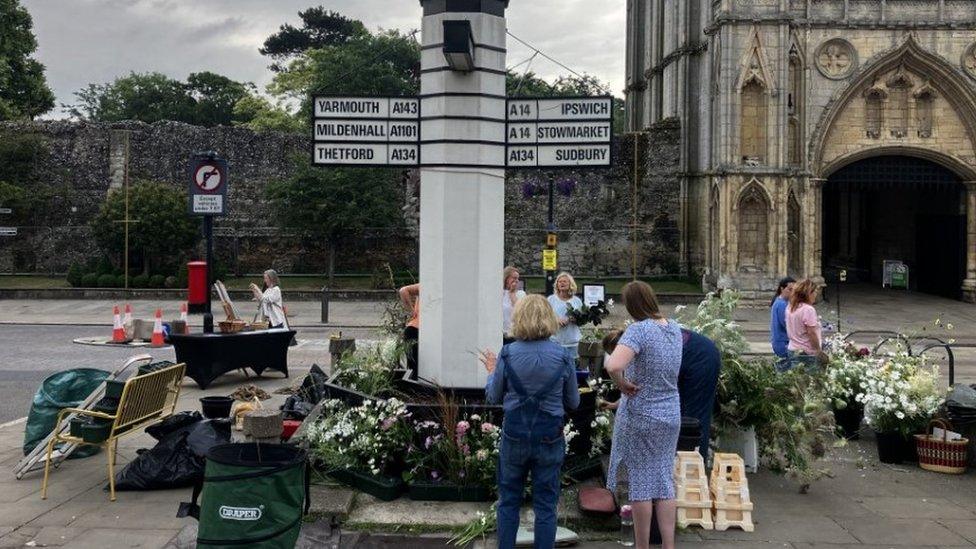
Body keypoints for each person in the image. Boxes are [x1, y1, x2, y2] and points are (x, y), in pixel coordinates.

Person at [479, 295, 579, 549]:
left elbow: (493, 396)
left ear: (519, 318)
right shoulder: (562, 356)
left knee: (509, 500)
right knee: (545, 503)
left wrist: (492, 372)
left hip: (515, 434)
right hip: (550, 435)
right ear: (549, 319)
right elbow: (574, 402)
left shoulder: (508, 354)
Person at [604, 281, 682, 549]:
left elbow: (613, 364)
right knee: (664, 480)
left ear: (632, 305)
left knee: (641, 484)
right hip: (671, 412)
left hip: (642, 415)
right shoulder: (673, 328)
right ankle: (669, 545)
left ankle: (642, 546)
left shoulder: (639, 330)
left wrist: (621, 384)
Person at [602, 328, 720, 461]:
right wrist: (613, 405)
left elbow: (632, 385)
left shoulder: (641, 351)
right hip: (687, 358)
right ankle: (676, 467)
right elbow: (635, 390)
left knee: (693, 421)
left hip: (701, 358)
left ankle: (694, 471)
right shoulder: (635, 341)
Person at [785, 278, 825, 371]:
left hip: (793, 349)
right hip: (807, 353)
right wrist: (818, 351)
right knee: (810, 382)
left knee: (795, 381)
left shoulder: (790, 307)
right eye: (814, 292)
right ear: (808, 293)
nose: (816, 294)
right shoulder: (808, 309)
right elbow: (811, 333)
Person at [547, 271, 583, 361]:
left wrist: (573, 319)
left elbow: (582, 321)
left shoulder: (577, 301)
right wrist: (556, 319)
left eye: (564, 281)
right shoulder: (551, 299)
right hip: (554, 340)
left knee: (572, 366)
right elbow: (545, 316)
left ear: (570, 284)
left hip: (572, 341)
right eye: (560, 281)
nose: (562, 283)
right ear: (557, 284)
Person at [769, 277, 796, 362]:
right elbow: (786, 323)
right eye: (790, 289)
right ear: (782, 289)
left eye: (794, 290)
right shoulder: (781, 304)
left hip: (781, 341)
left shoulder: (782, 302)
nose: (792, 293)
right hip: (783, 342)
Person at [399, 283, 420, 376]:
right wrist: (412, 311)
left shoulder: (423, 285)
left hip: (411, 329)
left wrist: (412, 311)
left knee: (413, 366)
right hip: (418, 330)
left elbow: (403, 291)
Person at [502, 266, 527, 344]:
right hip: (500, 333)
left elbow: (519, 311)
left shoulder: (521, 294)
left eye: (517, 279)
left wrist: (512, 293)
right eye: (514, 278)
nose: (516, 281)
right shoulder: (500, 292)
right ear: (506, 278)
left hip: (514, 334)